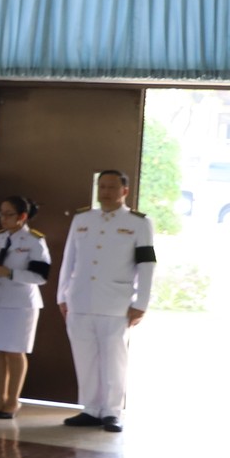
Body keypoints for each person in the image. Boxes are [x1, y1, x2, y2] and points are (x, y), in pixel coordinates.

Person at [57, 168, 156, 433]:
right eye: (102, 187)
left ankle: (111, 412)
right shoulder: (82, 219)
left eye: (112, 187)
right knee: (85, 357)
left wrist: (141, 303)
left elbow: (146, 266)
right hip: (80, 300)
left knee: (114, 359)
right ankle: (90, 408)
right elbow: (69, 260)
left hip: (116, 303)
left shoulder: (138, 223)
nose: (106, 192)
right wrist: (62, 295)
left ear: (125, 191)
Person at [0, 195, 51, 421]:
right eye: (1, 214)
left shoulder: (34, 241)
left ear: (22, 216)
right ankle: (0, 398)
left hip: (21, 303)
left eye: (9, 214)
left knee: (14, 351)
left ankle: (13, 401)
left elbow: (41, 276)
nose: (3, 219)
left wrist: (11, 273)